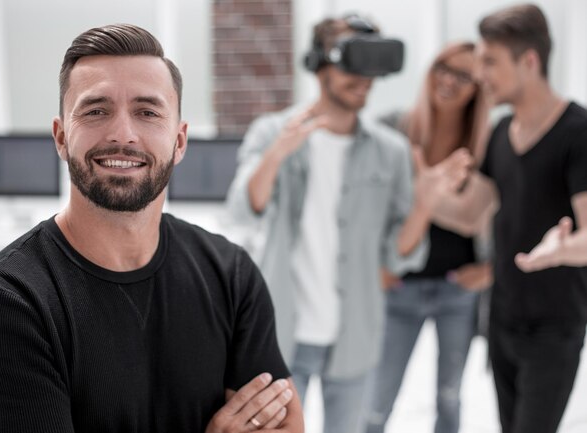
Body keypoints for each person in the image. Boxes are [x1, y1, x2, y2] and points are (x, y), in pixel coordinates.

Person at [0, 23, 304, 433]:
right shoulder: (7, 303)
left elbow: (286, 424)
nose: (122, 133)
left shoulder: (231, 274)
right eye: (96, 110)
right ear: (61, 137)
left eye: (147, 112)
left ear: (179, 142)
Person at [225, 14, 470, 433]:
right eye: (351, 63)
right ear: (319, 64)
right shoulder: (272, 132)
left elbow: (399, 256)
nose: (364, 79)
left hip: (356, 335)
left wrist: (424, 205)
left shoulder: (390, 151)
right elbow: (243, 209)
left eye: (371, 65)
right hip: (281, 334)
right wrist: (278, 154)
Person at [430, 4, 587, 433]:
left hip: (554, 329)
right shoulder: (500, 132)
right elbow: (468, 214)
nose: (480, 74)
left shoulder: (578, 132)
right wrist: (421, 192)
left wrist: (561, 249)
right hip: (501, 322)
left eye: (490, 62)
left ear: (529, 61)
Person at [365, 41, 492, 433]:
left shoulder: (485, 146)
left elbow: (504, 215)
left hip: (457, 290)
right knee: (376, 402)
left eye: (464, 75)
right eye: (443, 68)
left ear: (478, 87)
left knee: (450, 397)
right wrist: (376, 266)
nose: (449, 81)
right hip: (400, 286)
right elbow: (366, 205)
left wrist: (490, 269)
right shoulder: (392, 130)